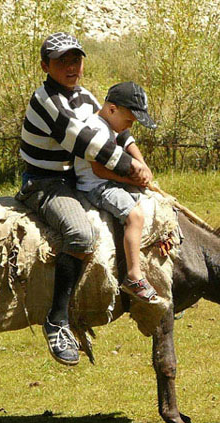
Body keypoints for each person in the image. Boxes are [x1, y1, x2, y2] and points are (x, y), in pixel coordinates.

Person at [15, 32, 152, 366]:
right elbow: (87, 143)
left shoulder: (83, 95)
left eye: (76, 59)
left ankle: (135, 284)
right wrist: (132, 168)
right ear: (45, 65)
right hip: (46, 183)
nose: (71, 66)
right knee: (80, 233)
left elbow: (117, 128)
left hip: (74, 178)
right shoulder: (48, 101)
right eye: (63, 61)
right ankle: (57, 321)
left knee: (140, 211)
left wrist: (140, 160)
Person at [74, 81, 161, 305]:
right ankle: (134, 276)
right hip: (96, 186)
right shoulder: (96, 129)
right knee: (135, 216)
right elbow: (98, 170)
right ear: (112, 109)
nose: (129, 126)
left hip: (106, 179)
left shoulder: (108, 122)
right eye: (128, 120)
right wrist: (130, 178)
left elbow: (126, 139)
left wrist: (141, 167)